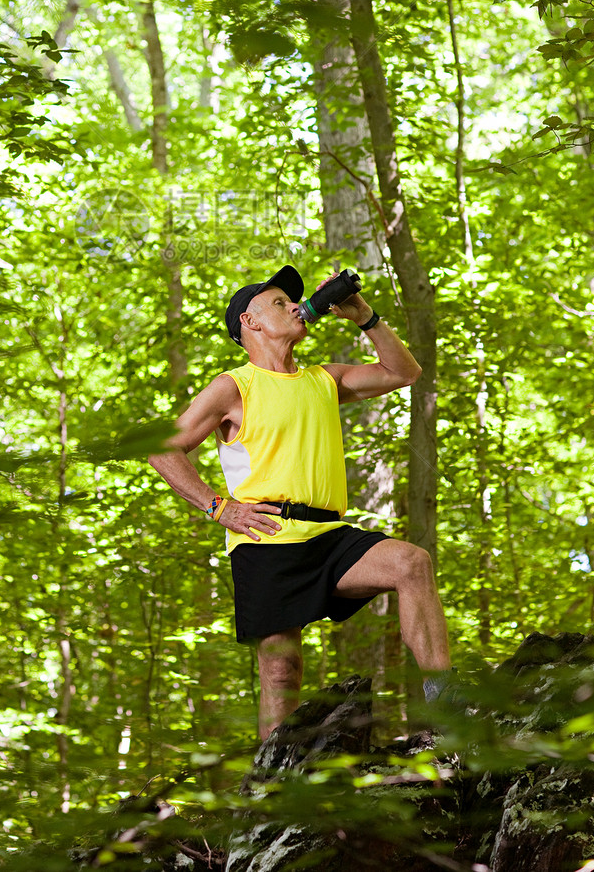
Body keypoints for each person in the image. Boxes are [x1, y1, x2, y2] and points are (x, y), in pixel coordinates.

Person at [148, 263, 451, 741]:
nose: (294, 306)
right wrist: (219, 507)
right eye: (278, 302)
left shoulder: (324, 379)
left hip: (330, 537)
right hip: (265, 541)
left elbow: (404, 372)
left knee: (411, 563)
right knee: (281, 673)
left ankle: (447, 712)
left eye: (294, 300)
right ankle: (272, 789)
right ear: (251, 323)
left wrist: (366, 318)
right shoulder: (233, 386)